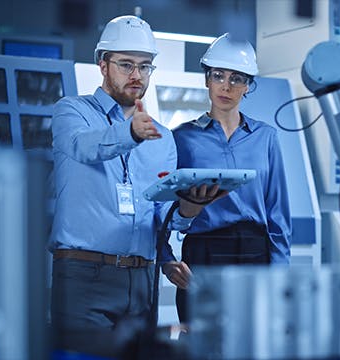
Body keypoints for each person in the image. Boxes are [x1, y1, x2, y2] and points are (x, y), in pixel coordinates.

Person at [48, 15, 215, 334]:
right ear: (102, 64)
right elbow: (86, 147)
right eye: (126, 64)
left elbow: (159, 212)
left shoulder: (163, 138)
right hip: (83, 275)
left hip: (141, 281)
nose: (136, 75)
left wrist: (188, 210)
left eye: (145, 66)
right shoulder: (71, 112)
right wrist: (131, 133)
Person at [172, 33, 292, 323]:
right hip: (203, 254)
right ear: (206, 80)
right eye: (218, 76)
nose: (226, 86)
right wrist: (167, 258)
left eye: (237, 78)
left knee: (252, 344)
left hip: (254, 254)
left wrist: (278, 277)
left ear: (248, 85)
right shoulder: (181, 138)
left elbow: (278, 214)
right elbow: (167, 212)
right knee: (202, 345)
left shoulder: (265, 138)